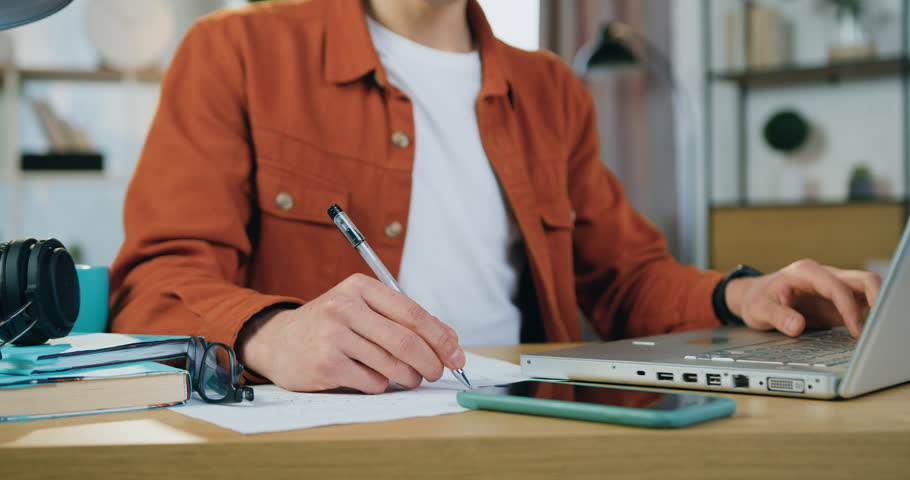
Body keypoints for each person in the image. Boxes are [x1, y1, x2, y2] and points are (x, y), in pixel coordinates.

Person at [109, 0, 881, 394]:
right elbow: (153, 287)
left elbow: (625, 277)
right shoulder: (235, 51)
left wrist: (742, 294)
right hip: (327, 438)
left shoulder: (549, 88)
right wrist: (269, 333)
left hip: (523, 417)